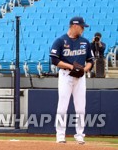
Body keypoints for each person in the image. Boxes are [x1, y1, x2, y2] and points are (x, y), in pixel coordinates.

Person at [50, 16, 94, 144]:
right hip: (65, 76)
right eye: (82, 27)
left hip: (80, 77)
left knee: (81, 108)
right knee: (62, 107)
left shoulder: (85, 42)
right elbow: (54, 60)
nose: (83, 29)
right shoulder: (60, 41)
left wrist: (84, 70)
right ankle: (60, 135)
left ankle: (80, 135)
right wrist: (71, 67)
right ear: (74, 26)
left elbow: (91, 60)